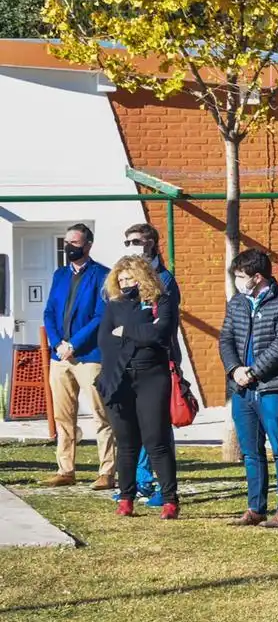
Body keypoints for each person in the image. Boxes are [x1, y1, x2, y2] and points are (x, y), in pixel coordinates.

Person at [219, 249, 278, 529]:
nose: (237, 281)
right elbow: (226, 338)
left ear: (257, 277)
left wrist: (254, 372)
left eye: (240, 276)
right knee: (251, 451)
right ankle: (255, 508)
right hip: (242, 389)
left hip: (273, 386)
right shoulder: (237, 302)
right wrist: (235, 369)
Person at [95, 256, 181, 519]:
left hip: (152, 377)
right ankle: (126, 498)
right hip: (118, 379)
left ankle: (170, 500)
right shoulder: (114, 305)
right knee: (126, 443)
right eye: (120, 279)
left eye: (129, 278)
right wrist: (142, 331)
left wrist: (126, 331)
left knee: (156, 441)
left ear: (142, 277)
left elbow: (161, 333)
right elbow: (105, 341)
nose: (124, 284)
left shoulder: (160, 301)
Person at [42, 223, 115, 490]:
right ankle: (66, 470)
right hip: (60, 357)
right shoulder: (60, 274)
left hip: (89, 356)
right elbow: (49, 312)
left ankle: (107, 471)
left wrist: (74, 344)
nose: (69, 247)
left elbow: (100, 316)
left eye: (75, 242)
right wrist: (57, 343)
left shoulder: (102, 275)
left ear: (88, 245)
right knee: (63, 415)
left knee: (101, 414)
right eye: (67, 242)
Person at [119, 222, 181, 507]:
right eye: (128, 242)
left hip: (159, 360)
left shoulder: (164, 280)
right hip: (130, 361)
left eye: (137, 241)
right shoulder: (124, 279)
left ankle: (159, 485)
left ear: (151, 243)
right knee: (135, 424)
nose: (132, 246)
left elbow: (161, 326)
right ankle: (139, 481)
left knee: (158, 427)